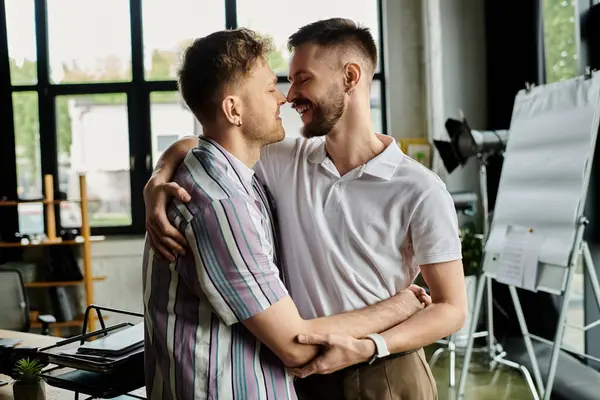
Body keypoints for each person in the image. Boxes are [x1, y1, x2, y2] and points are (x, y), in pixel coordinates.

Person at [144, 19, 467, 400]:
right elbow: (212, 139)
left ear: (350, 77)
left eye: (302, 79)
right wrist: (157, 176)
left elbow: (452, 307)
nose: (289, 95)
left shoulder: (421, 188)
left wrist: (373, 345)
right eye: (285, 82)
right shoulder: (285, 158)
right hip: (298, 369)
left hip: (382, 370)